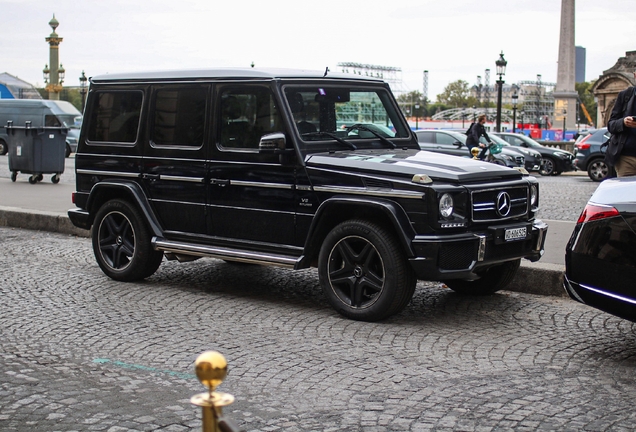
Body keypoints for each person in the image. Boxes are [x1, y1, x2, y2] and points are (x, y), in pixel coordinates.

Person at [606, 71, 636, 177]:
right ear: (635, 75)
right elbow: (611, 125)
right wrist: (623, 122)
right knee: (625, 192)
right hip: (626, 159)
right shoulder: (625, 96)